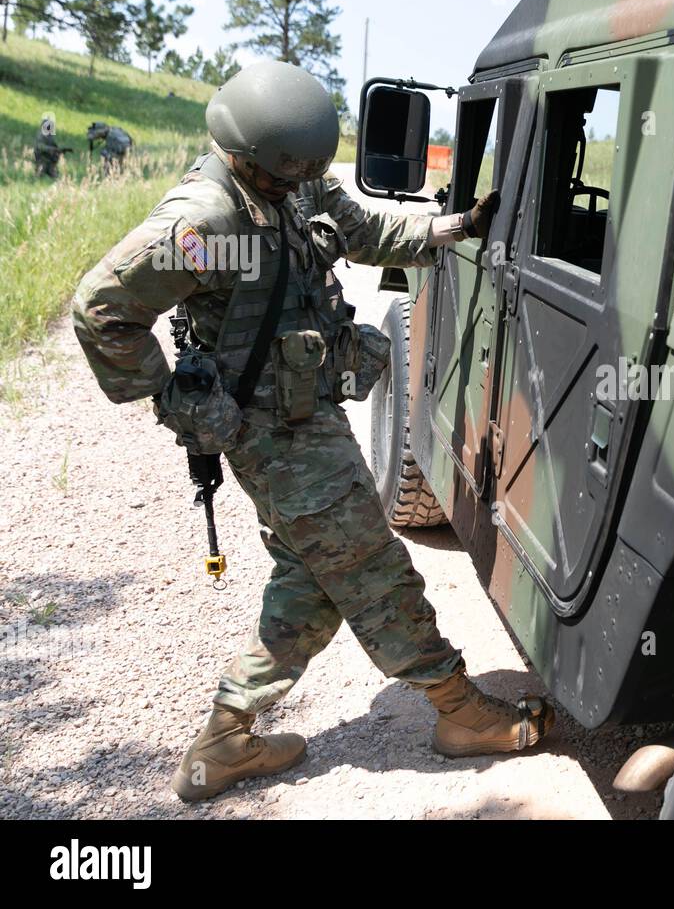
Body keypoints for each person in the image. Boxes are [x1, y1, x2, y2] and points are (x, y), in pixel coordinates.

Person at [71, 61, 552, 803]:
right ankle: (458, 710)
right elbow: (103, 308)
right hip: (272, 436)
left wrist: (452, 227)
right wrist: (174, 402)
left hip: (311, 412)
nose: (292, 185)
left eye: (304, 173)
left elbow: (362, 229)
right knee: (368, 562)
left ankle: (225, 740)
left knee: (314, 576)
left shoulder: (297, 182)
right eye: (279, 175)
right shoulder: (206, 221)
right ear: (242, 154)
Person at [34, 114, 71, 178]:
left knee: (56, 176)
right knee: (39, 175)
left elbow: (54, 146)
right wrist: (51, 149)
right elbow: (40, 146)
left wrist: (62, 150)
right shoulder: (41, 135)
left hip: (51, 161)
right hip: (42, 159)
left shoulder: (50, 136)